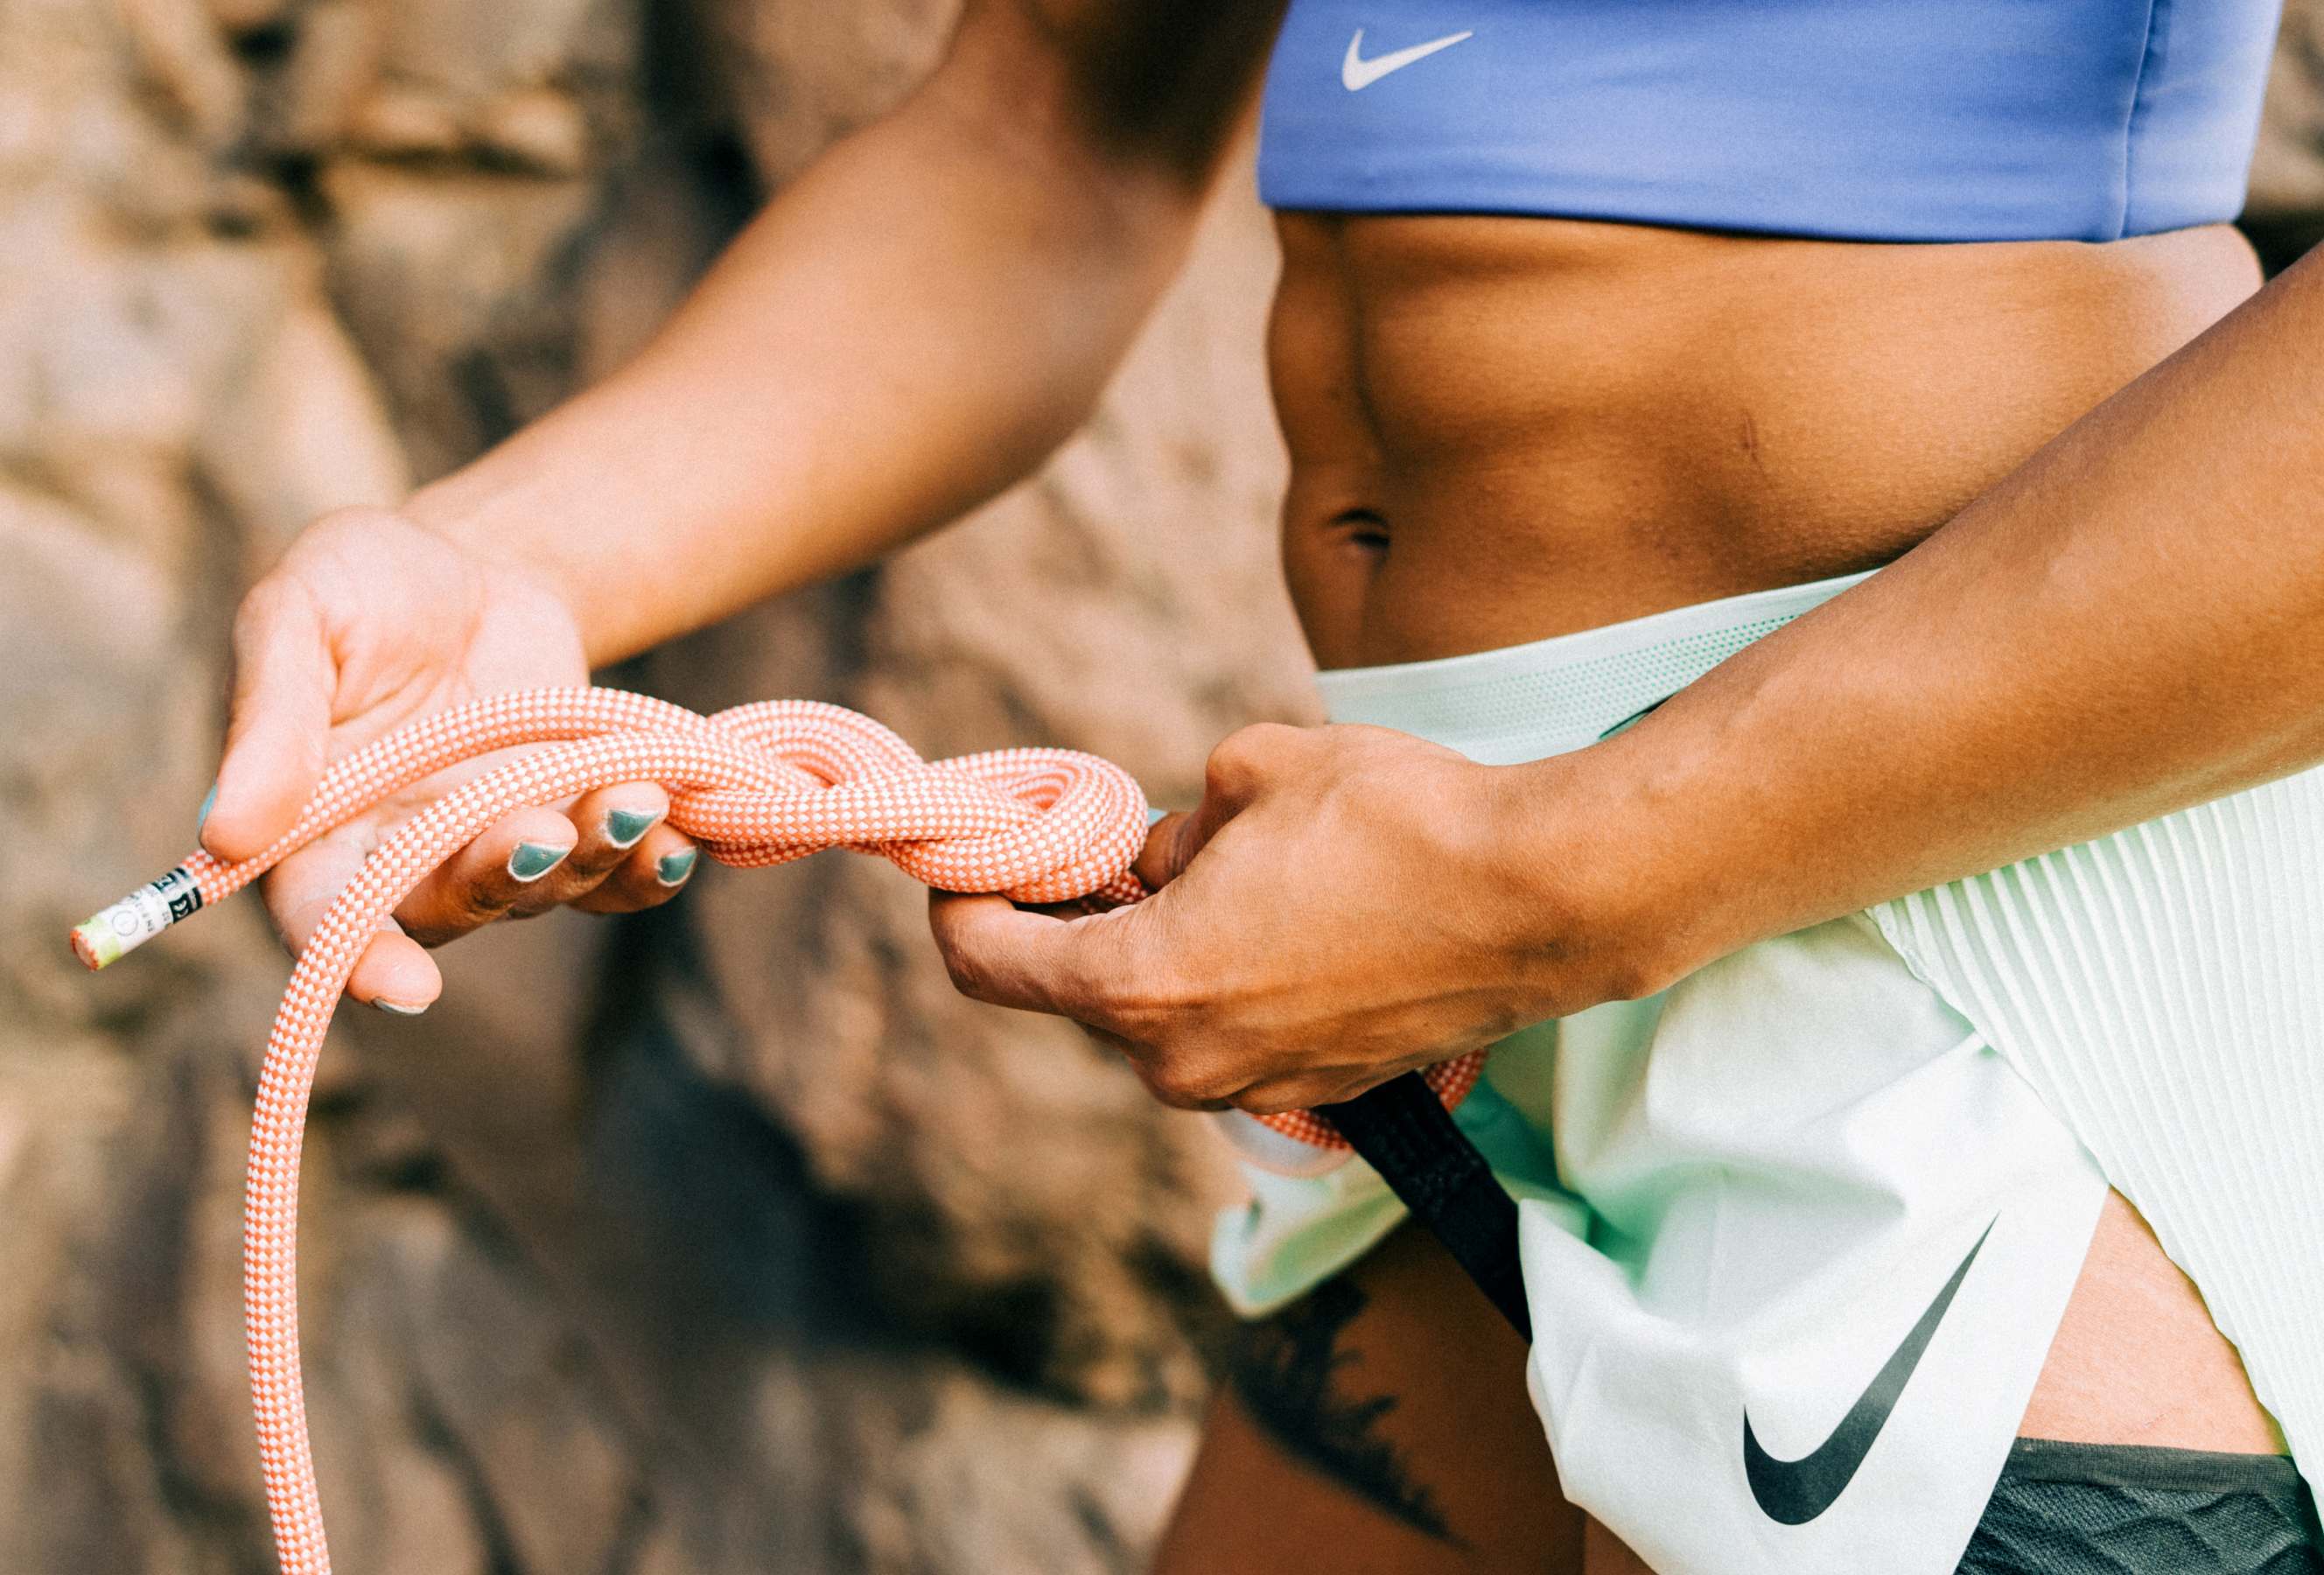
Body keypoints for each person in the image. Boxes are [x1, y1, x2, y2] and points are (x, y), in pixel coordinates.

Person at [200, 2, 2324, 1570]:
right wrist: (515, 568)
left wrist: (1567, 874)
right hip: (1454, 955)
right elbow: (1048, 143)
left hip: (1946, 951)